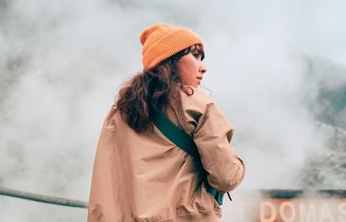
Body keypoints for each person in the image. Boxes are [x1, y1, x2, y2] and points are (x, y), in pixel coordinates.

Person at [87, 23, 245, 222]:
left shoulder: (120, 114)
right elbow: (226, 177)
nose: (203, 67)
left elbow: (105, 190)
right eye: (195, 55)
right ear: (170, 60)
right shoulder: (199, 106)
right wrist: (238, 164)